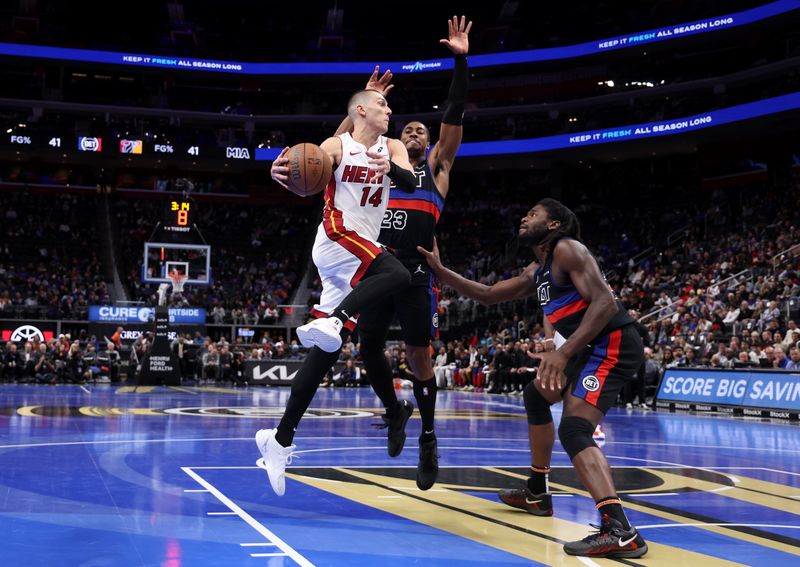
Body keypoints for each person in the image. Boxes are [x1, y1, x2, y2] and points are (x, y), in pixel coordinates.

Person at [418, 198, 648, 559]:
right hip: (583, 347)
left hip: (610, 344)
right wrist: (439, 269)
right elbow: (488, 295)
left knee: (574, 430)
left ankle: (619, 529)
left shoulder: (568, 249)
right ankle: (538, 492)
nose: (524, 218)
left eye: (534, 214)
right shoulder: (537, 269)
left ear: (554, 224)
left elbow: (604, 303)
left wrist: (562, 351)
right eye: (525, 213)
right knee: (535, 396)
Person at [257, 78, 421, 497]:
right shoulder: (336, 146)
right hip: (337, 237)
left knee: (322, 357)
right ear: (360, 110)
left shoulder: (393, 147)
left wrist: (394, 170)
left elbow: (411, 183)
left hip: (354, 259)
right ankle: (339, 319)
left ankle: (279, 439)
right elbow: (299, 161)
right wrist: (278, 168)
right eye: (381, 104)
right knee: (398, 274)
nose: (390, 110)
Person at [334, 14, 471, 491]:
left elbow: (453, 113)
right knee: (367, 348)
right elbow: (340, 145)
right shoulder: (379, 162)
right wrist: (365, 102)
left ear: (429, 142)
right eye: (406, 129)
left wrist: (460, 63)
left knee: (419, 361)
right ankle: (395, 412)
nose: (413, 132)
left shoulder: (437, 168)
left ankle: (428, 439)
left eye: (420, 130)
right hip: (376, 266)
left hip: (414, 272)